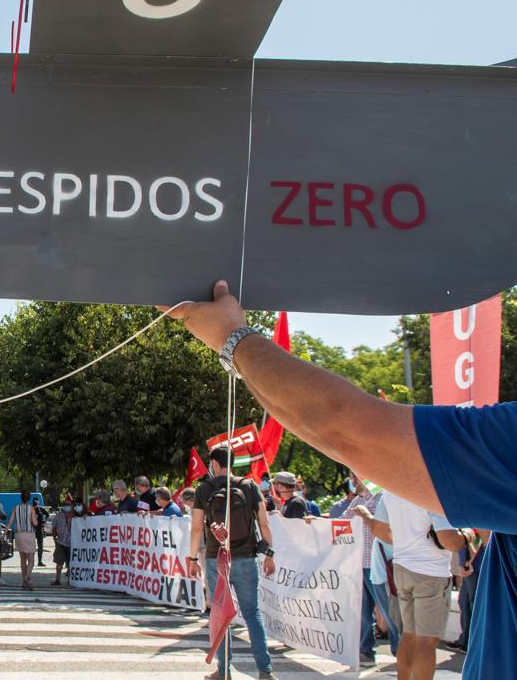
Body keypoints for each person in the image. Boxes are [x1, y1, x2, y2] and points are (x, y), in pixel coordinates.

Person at [164, 279, 517, 680]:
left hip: (405, 570)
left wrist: (232, 338)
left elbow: (340, 425)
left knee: (413, 640)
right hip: (414, 571)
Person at [188, 447, 278, 680]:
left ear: (214, 463)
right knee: (252, 613)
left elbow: (197, 526)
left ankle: (224, 670)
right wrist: (269, 553)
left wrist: (192, 558)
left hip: (216, 558)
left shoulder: (204, 489)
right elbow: (264, 523)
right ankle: (265, 670)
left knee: (220, 615)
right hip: (246, 556)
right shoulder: (249, 486)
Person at [357, 491, 466, 680]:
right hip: (430, 572)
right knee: (427, 640)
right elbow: (450, 541)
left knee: (409, 634)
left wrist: (403, 542)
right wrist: (468, 537)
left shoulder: (390, 491)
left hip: (402, 568)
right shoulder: (430, 491)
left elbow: (379, 530)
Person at [339, 474, 388, 666]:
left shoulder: (382, 498)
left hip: (378, 565)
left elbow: (383, 528)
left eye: (354, 477)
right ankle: (365, 650)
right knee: (362, 612)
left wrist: (365, 516)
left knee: (387, 610)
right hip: (359, 565)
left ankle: (400, 647)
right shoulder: (358, 501)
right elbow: (340, 526)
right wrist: (314, 523)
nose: (352, 481)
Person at [7, 489, 39, 590]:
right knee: (31, 559)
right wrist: (36, 518)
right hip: (29, 534)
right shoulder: (32, 509)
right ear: (29, 498)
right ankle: (27, 577)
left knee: (22, 559)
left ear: (21, 497)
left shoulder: (16, 508)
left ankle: (24, 582)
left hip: (19, 535)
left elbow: (10, 521)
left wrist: (5, 533)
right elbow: (35, 523)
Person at [51, 503, 73, 586]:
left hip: (71, 543)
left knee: (71, 563)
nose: (67, 506)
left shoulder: (74, 516)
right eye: (66, 504)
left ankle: (70, 580)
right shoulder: (59, 515)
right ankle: (57, 579)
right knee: (59, 563)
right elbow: (54, 528)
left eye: (68, 504)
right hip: (61, 542)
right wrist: (54, 539)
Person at [32, 496, 49, 567]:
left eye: (36, 501)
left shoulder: (41, 509)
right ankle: (31, 561)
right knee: (31, 546)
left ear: (38, 502)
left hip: (39, 529)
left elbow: (47, 514)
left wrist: (44, 521)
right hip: (32, 529)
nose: (35, 502)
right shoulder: (30, 509)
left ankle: (39, 561)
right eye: (34, 501)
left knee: (40, 546)